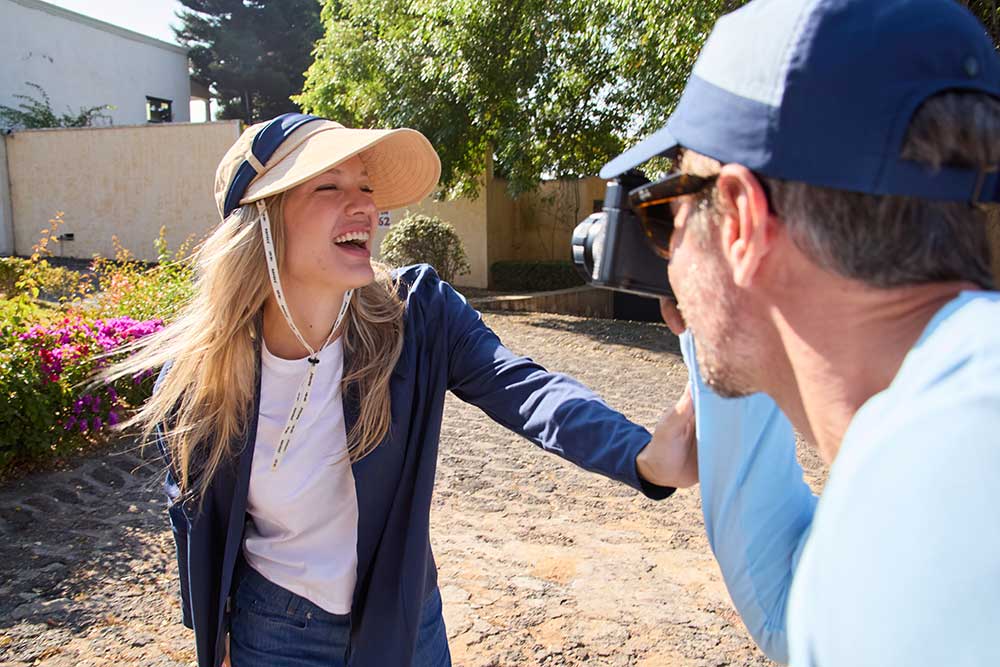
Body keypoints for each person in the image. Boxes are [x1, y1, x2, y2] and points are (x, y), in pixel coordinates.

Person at [105, 114, 691, 667]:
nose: (365, 203)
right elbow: (192, 513)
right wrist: (213, 634)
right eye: (328, 187)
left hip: (404, 624)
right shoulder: (197, 377)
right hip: (271, 630)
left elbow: (524, 387)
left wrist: (639, 455)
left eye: (364, 185)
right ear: (262, 220)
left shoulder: (417, 315)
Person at [599, 0, 1000, 665]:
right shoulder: (929, 450)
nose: (668, 244)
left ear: (737, 221)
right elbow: (790, 594)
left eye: (671, 204)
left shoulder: (949, 476)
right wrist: (732, 337)